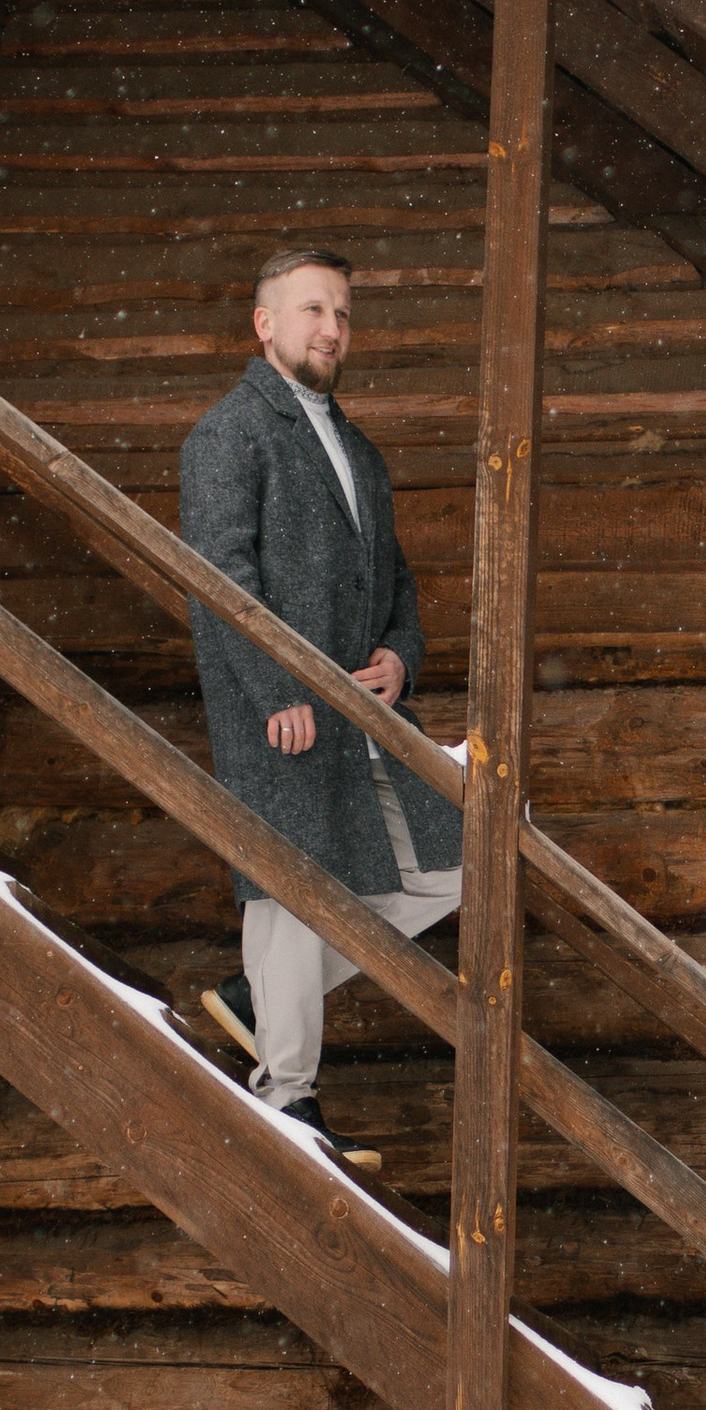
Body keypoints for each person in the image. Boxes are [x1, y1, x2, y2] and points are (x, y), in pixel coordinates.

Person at [178, 245, 463, 1166]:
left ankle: (263, 1000)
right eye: (311, 310)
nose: (331, 328)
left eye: (341, 312)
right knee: (289, 890)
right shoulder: (231, 432)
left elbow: (400, 585)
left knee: (470, 857)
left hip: (363, 715)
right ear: (266, 325)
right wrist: (274, 690)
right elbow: (221, 576)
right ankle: (287, 1095)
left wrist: (400, 658)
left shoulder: (361, 452)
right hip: (279, 710)